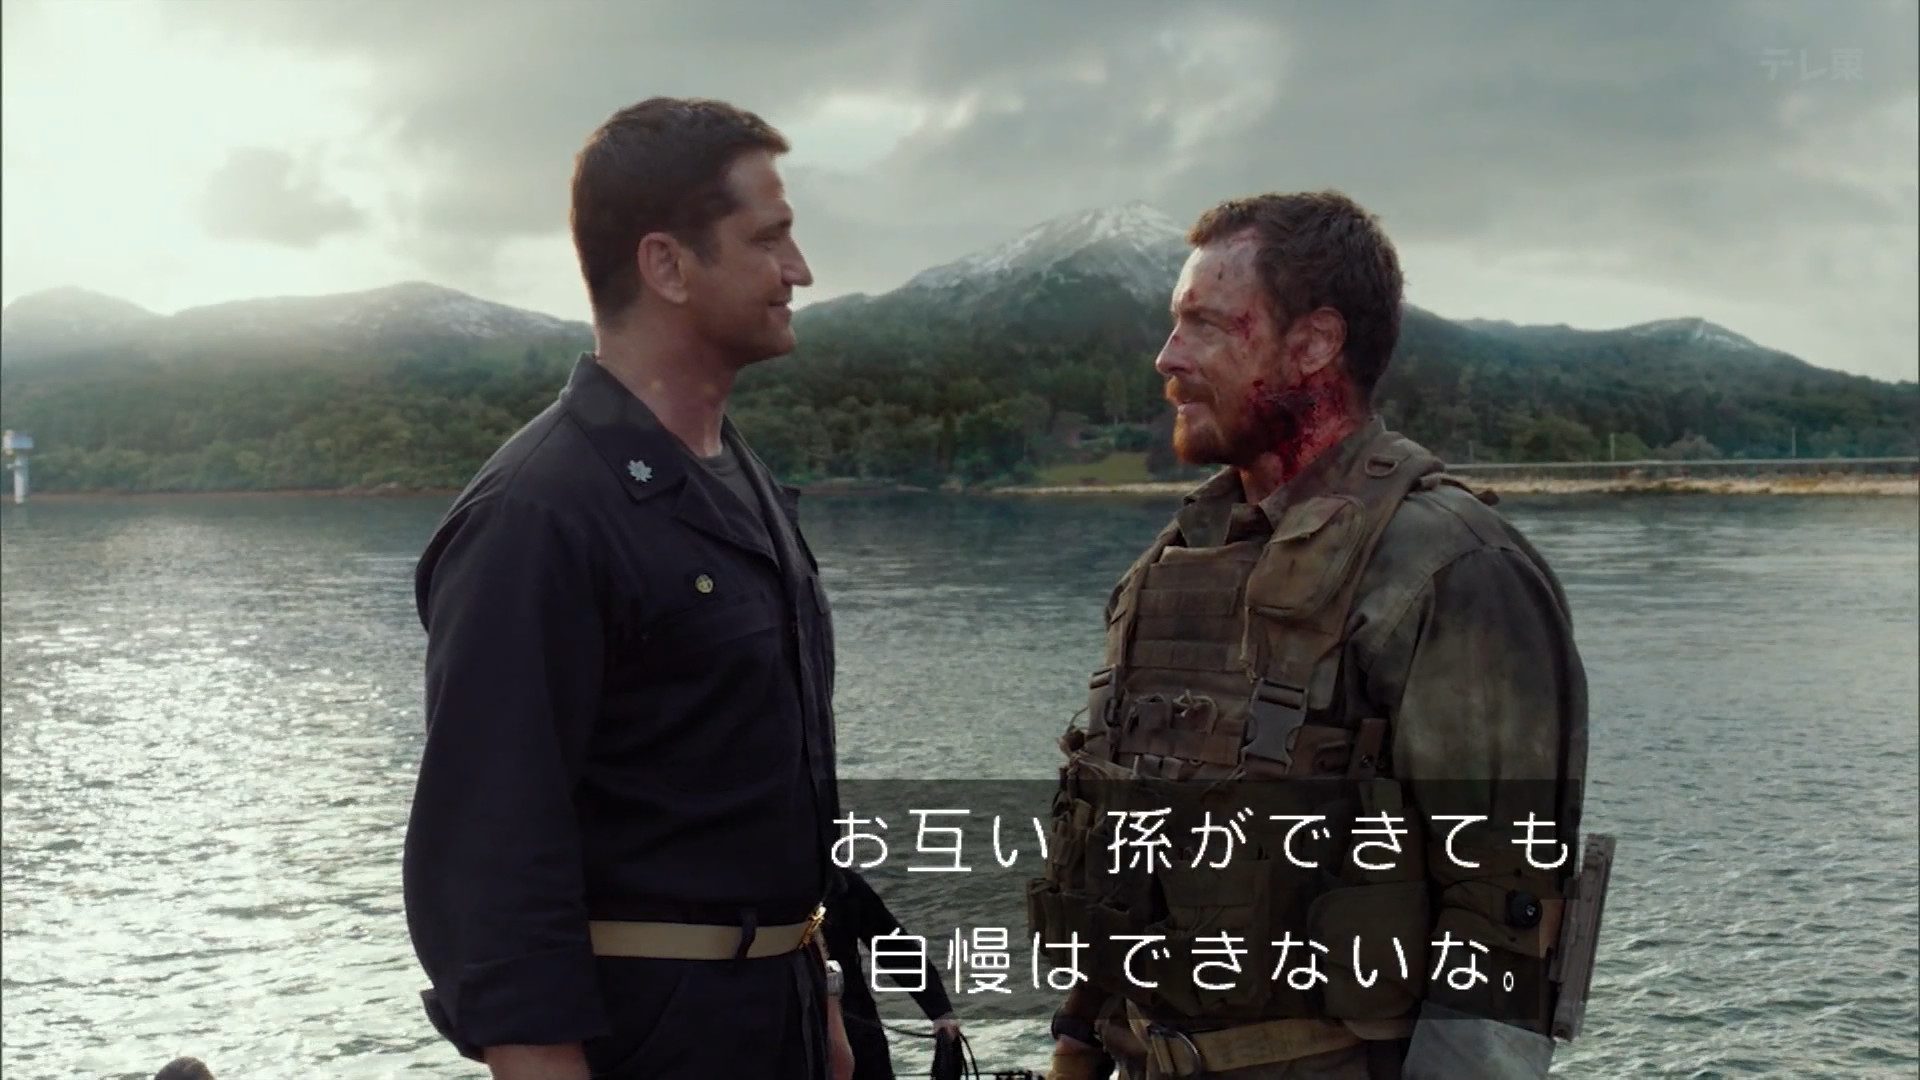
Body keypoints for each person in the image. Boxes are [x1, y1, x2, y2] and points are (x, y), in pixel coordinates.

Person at [1031, 191, 1592, 1080]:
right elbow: (1117, 844)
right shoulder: (1173, 563)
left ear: (1315, 344)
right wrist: (1075, 1050)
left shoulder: (1451, 567)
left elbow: (1505, 923)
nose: (1167, 356)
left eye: (1206, 324)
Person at [403, 97, 854, 1080]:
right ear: (667, 265)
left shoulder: (737, 474)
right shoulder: (538, 515)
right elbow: (489, 879)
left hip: (777, 1019)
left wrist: (816, 992)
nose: (799, 270)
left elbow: (756, 798)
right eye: (768, 238)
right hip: (654, 1043)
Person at [822, 869, 962, 1079]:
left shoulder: (841, 884)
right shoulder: (769, 893)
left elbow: (893, 946)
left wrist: (940, 1011)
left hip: (857, 1027)